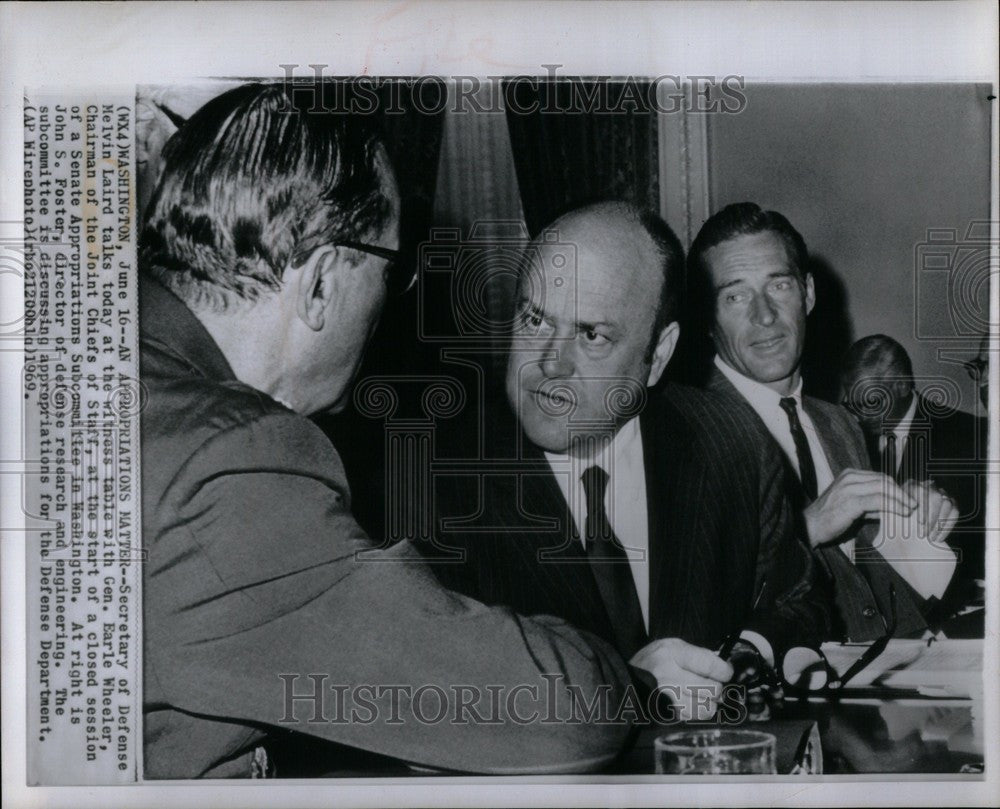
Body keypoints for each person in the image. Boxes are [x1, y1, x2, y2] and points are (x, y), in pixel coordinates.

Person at [138, 82, 635, 779]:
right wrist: (636, 682)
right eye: (390, 268)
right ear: (318, 286)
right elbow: (566, 712)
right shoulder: (228, 463)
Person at [429, 201, 830, 721]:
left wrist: (745, 656)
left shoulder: (732, 443)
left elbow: (797, 596)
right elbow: (434, 695)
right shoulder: (432, 477)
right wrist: (627, 688)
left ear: (657, 356)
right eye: (534, 318)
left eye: (592, 335)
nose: (550, 362)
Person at [687, 202, 959, 641]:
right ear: (707, 318)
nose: (764, 315)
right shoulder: (683, 434)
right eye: (735, 296)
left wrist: (910, 516)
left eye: (779, 286)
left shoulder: (839, 423)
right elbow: (690, 599)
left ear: (808, 294)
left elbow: (864, 577)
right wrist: (808, 526)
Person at [841, 334, 987, 615]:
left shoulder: (971, 436)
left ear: (903, 386)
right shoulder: (845, 439)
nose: (857, 415)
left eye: (869, 401)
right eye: (851, 404)